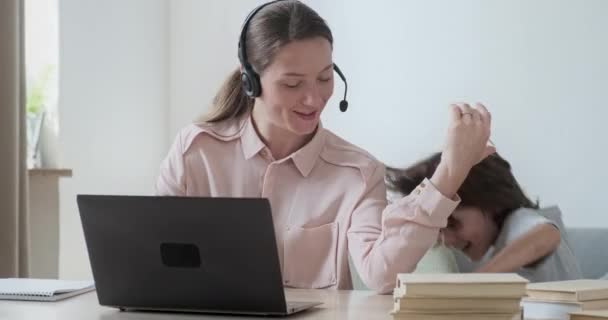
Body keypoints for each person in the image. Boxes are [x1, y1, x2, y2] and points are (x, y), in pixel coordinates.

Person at [156, 0, 494, 294]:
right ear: (251, 81)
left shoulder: (358, 173)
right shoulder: (195, 152)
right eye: (292, 83)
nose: (313, 99)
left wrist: (449, 175)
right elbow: (161, 262)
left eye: (324, 78)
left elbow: (382, 275)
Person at [386, 152, 582, 282]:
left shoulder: (518, 220)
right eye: (439, 230)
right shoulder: (486, 244)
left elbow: (546, 235)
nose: (447, 240)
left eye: (453, 223)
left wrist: (478, 281)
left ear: (491, 203)